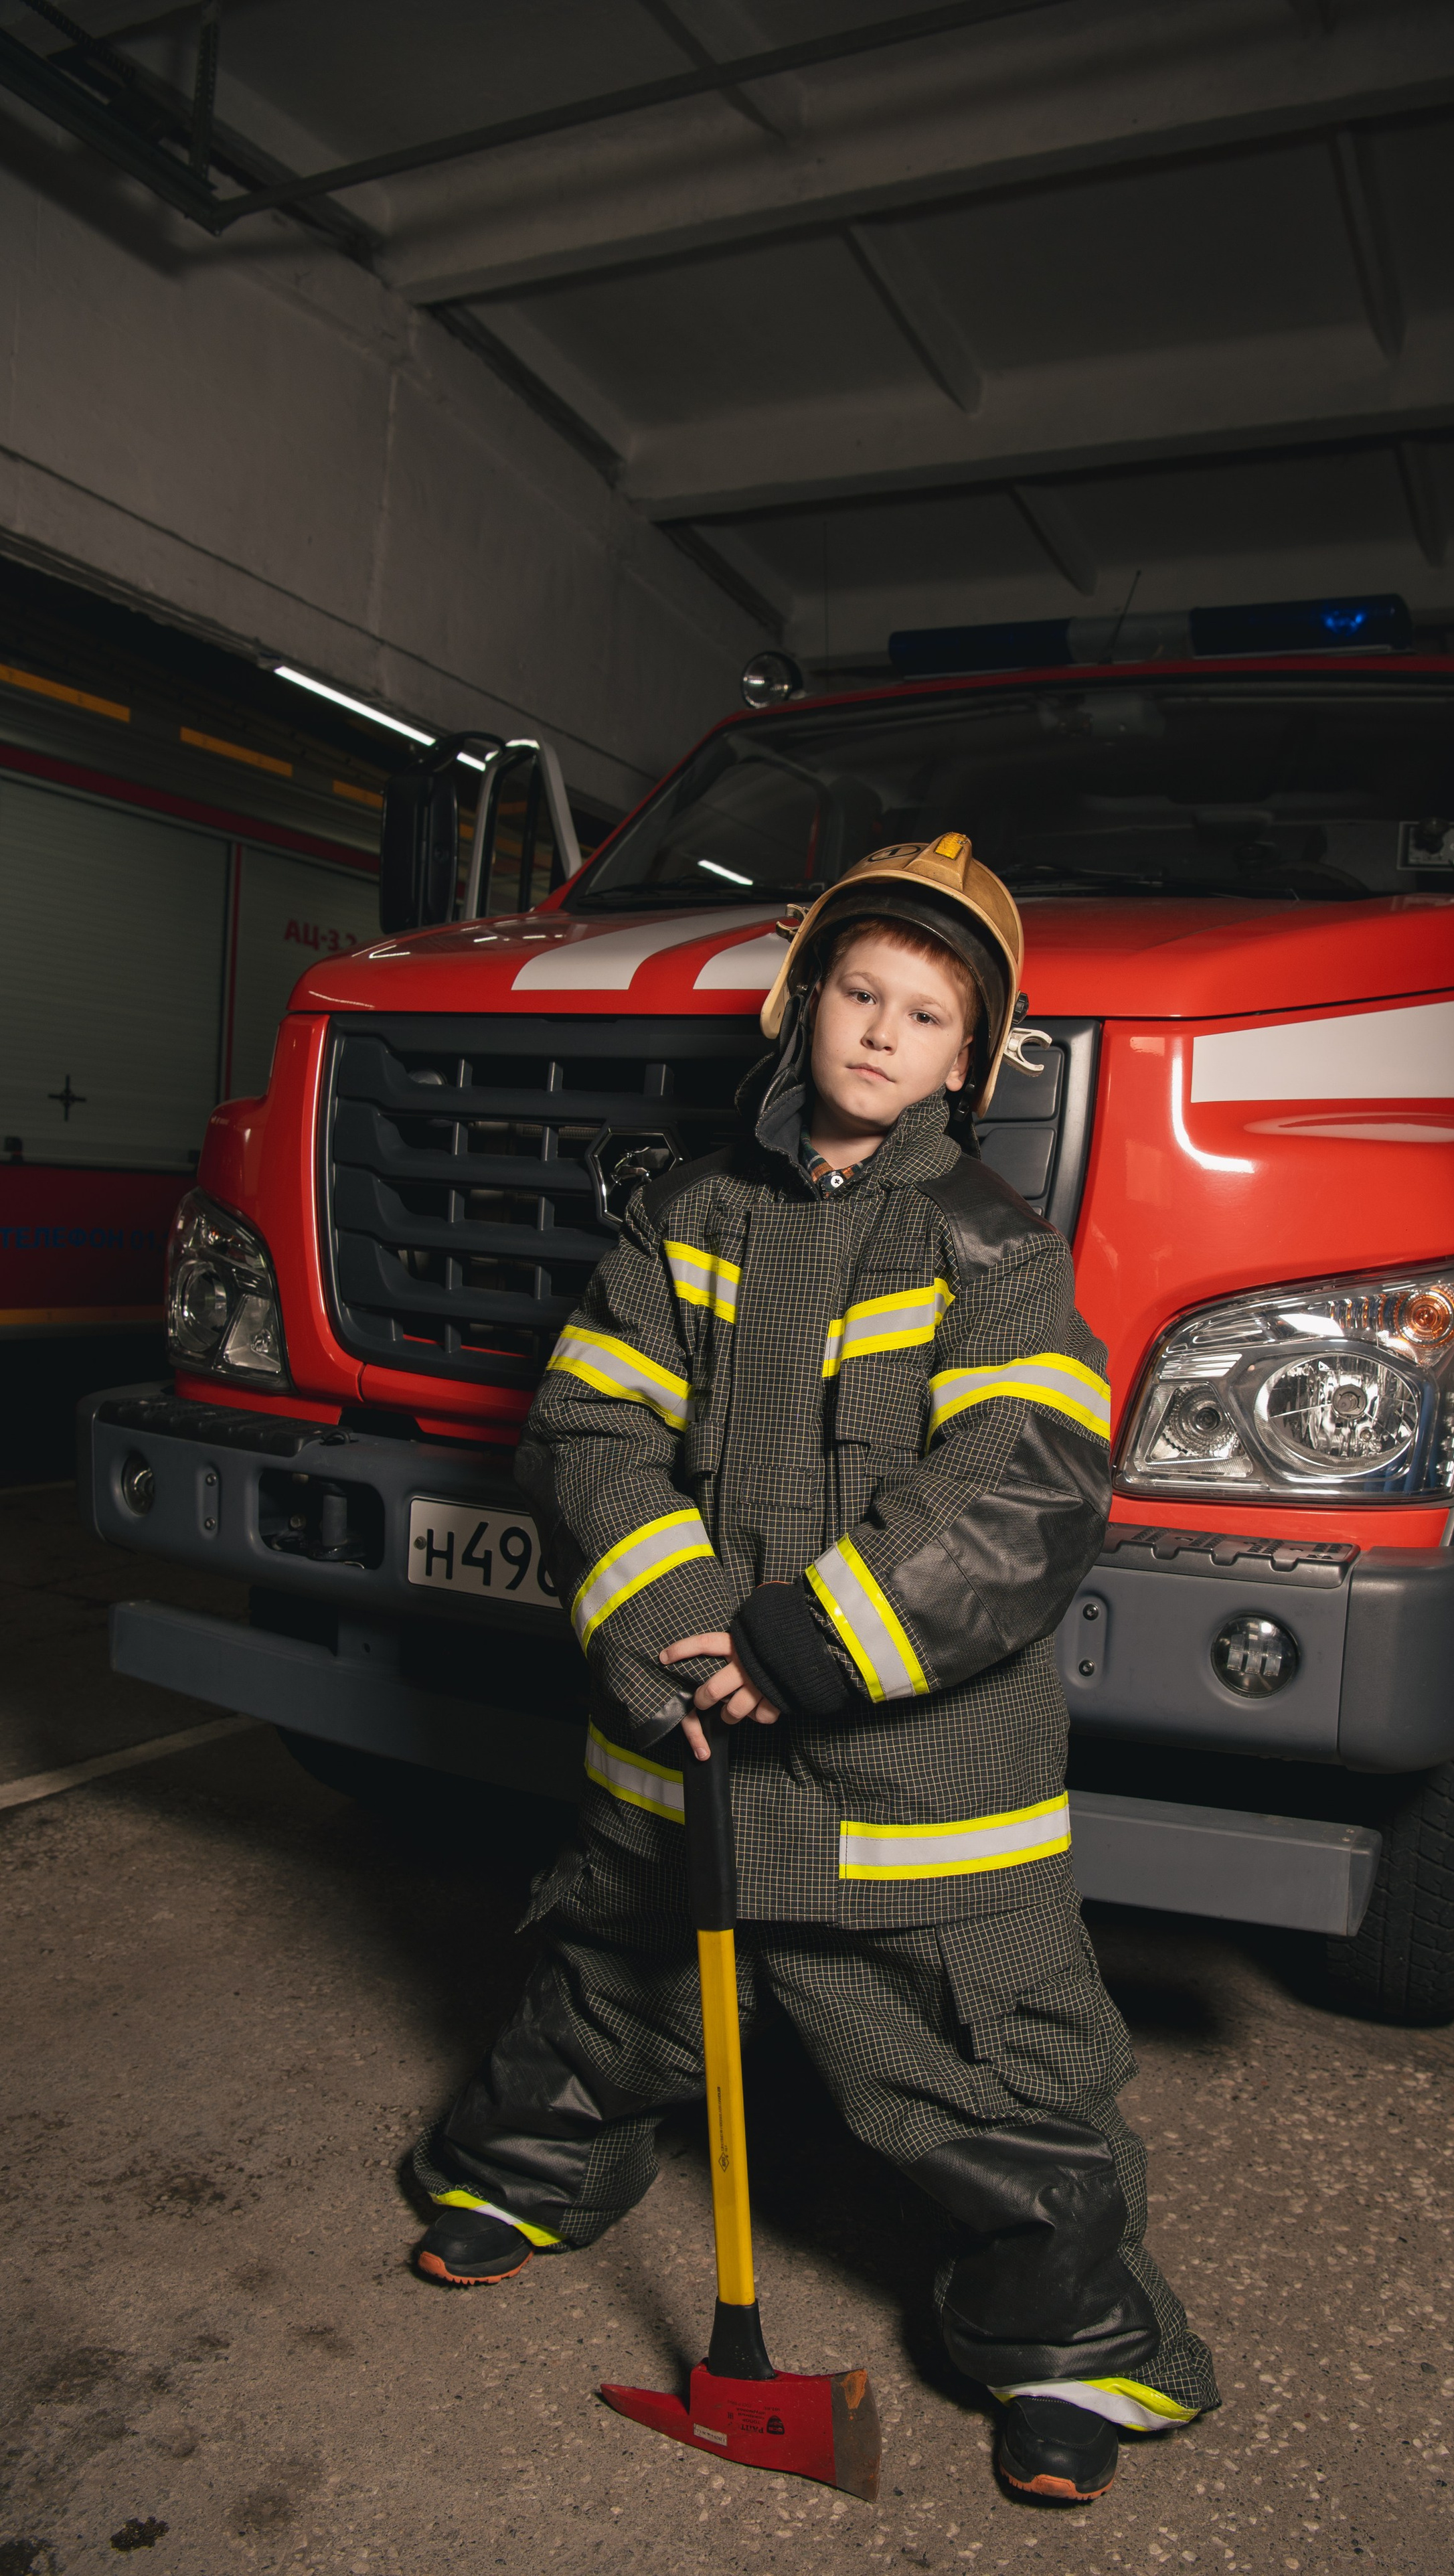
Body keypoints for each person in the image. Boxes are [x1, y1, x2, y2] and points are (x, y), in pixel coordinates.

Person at [411, 833, 1218, 2504]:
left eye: (923, 1015)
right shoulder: (689, 1216)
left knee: (989, 2074)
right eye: (857, 989)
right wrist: (681, 1616)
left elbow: (1023, 1479)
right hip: (683, 1739)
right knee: (604, 1986)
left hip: (907, 1793)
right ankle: (527, 2173)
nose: (876, 1032)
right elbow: (584, 1426)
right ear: (801, 1001)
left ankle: (1070, 2346)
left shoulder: (989, 1250)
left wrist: (817, 1640)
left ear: (962, 1061)